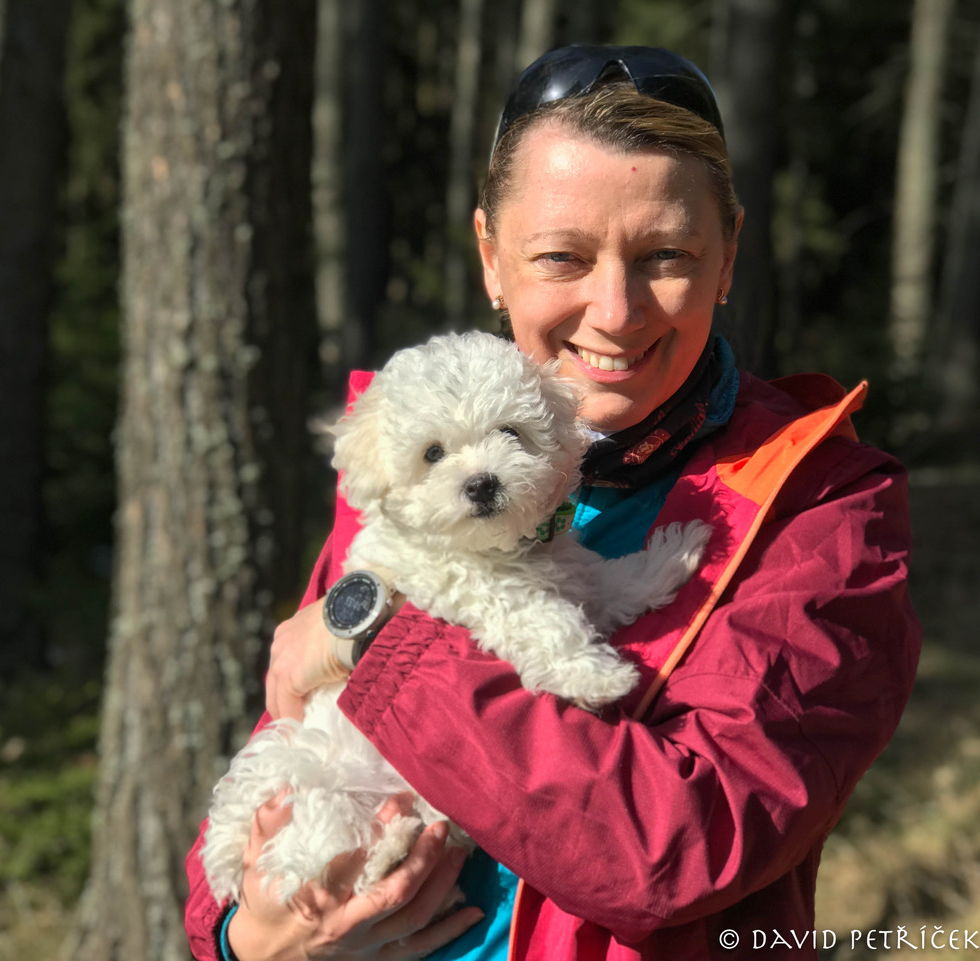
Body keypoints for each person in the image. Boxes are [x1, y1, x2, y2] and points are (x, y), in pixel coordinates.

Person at [185, 44, 921, 961]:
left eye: (666, 254)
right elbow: (278, 764)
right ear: (491, 257)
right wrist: (245, 938)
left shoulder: (818, 507)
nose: (614, 310)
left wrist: (374, 638)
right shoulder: (403, 463)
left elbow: (679, 846)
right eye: (561, 256)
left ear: (728, 254)